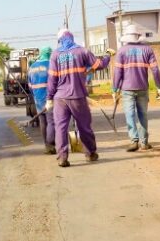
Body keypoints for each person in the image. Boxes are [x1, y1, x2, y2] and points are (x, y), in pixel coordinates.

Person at [47, 29, 114, 167]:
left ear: (60, 40)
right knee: (84, 126)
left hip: (60, 99)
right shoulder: (82, 51)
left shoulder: (55, 55)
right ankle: (90, 153)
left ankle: (62, 158)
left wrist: (49, 98)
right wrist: (108, 55)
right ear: (71, 37)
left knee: (60, 128)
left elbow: (52, 79)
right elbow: (99, 65)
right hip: (77, 97)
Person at [113, 24, 160, 152]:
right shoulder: (147, 49)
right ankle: (144, 143)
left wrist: (115, 89)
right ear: (138, 36)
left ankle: (134, 141)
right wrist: (159, 87)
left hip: (127, 89)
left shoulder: (122, 51)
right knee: (143, 115)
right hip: (142, 88)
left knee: (129, 115)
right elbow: (155, 70)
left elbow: (117, 73)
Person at [28, 46, 55, 154]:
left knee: (43, 122)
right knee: (51, 122)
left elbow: (30, 85)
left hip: (38, 100)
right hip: (49, 99)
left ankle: (47, 146)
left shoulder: (32, 67)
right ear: (49, 54)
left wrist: (35, 95)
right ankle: (52, 143)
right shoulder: (50, 65)